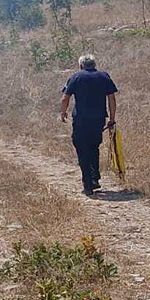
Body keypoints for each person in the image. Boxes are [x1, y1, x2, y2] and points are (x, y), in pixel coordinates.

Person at [59, 54, 118, 196]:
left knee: (81, 148)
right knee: (94, 146)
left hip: (81, 120)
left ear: (80, 65)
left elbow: (65, 98)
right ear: (94, 64)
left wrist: (63, 112)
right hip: (98, 120)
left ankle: (88, 183)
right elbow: (111, 98)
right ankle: (94, 177)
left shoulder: (76, 77)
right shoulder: (104, 77)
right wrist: (112, 118)